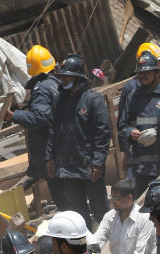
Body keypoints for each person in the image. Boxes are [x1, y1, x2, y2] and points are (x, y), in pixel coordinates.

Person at [46, 54, 111, 231]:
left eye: (67, 76)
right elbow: (53, 130)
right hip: (67, 168)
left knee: (99, 207)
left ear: (77, 77)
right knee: (77, 212)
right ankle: (87, 246)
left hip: (89, 166)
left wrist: (97, 162)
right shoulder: (60, 100)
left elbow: (103, 133)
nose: (63, 79)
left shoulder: (92, 99)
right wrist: (50, 157)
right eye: (62, 76)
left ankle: (109, 242)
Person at [9, 45, 62, 205]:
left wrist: (13, 115)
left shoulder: (41, 89)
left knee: (63, 201)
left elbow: (39, 119)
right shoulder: (57, 84)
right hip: (62, 150)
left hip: (50, 154)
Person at [90, 179, 156, 254]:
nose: (111, 201)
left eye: (115, 198)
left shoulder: (145, 219)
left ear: (129, 198)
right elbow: (98, 239)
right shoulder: (110, 216)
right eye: (111, 197)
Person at [120, 53, 160, 197]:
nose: (143, 75)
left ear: (157, 73)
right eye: (140, 73)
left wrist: (158, 133)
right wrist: (130, 132)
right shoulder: (133, 97)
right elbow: (122, 125)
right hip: (139, 166)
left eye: (147, 72)